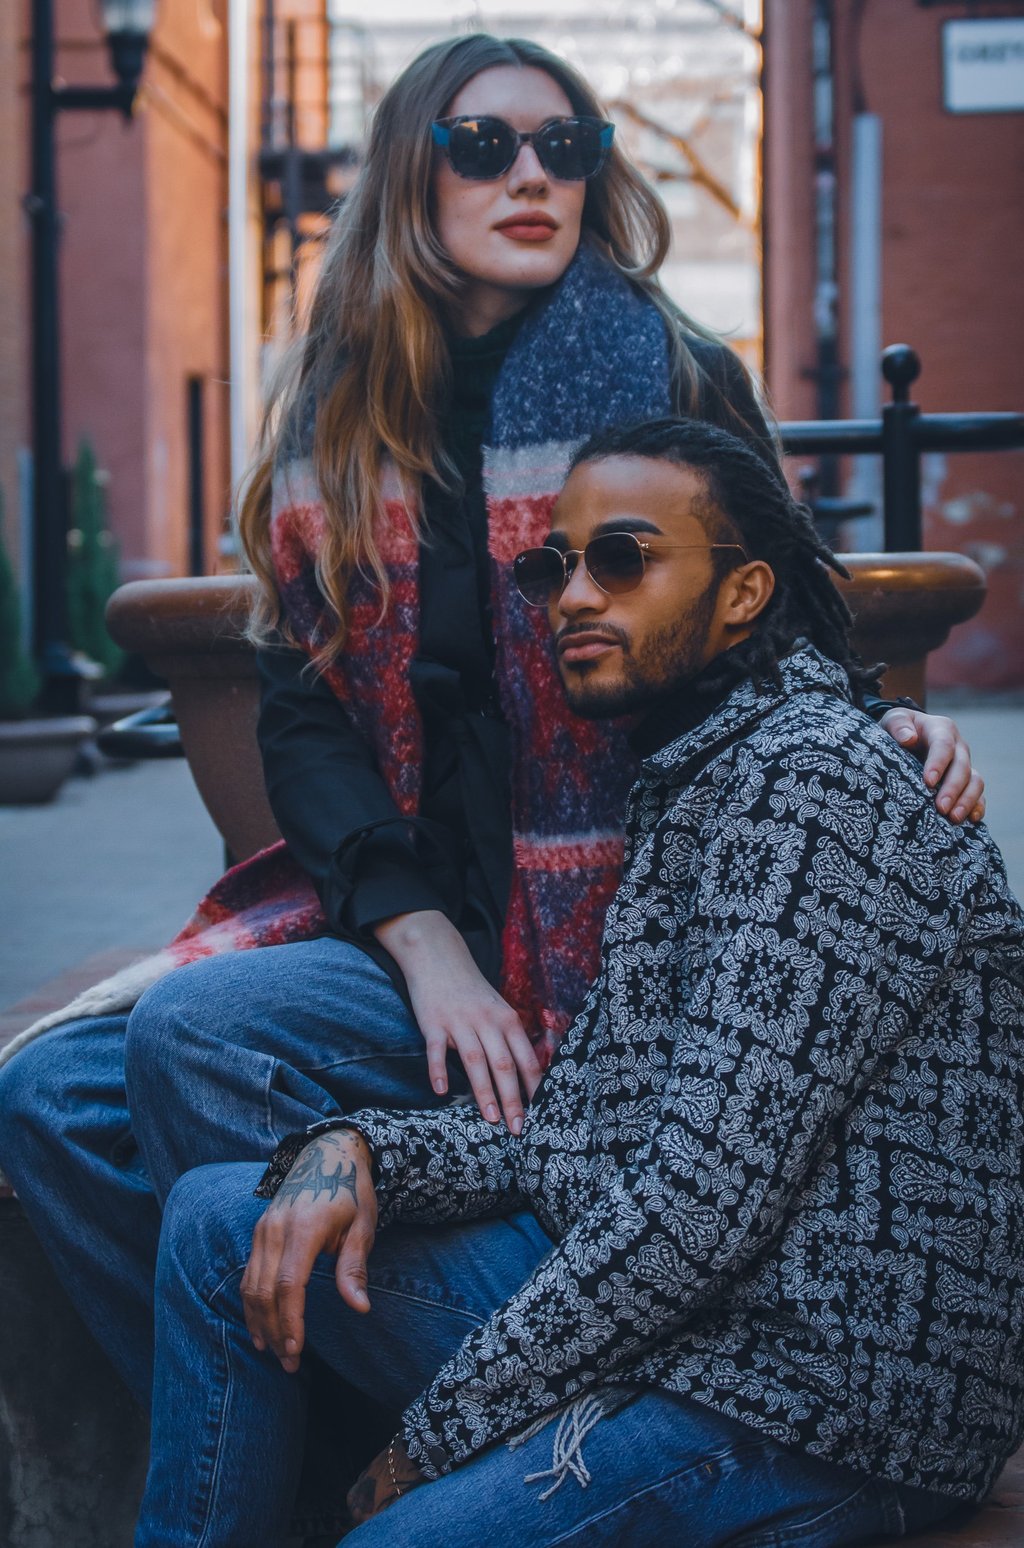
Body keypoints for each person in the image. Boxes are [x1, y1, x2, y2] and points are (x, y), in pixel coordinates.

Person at [0, 34, 983, 1421]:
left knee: (195, 1044)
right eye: (485, 146)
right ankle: (296, 1419)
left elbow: (783, 618)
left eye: (565, 148)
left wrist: (880, 739)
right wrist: (425, 949)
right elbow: (305, 712)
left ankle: (451, 1383)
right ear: (413, 173)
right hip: (424, 934)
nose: (533, 176)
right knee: (49, 1102)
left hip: (620, 953)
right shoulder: (340, 407)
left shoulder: (671, 371)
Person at [136, 418, 1024, 1548]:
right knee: (224, 1219)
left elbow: (697, 1207)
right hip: (707, 1318)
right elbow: (583, 1140)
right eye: (555, 564)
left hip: (821, 1398)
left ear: (746, 593)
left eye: (624, 557)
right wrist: (357, 1148)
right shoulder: (704, 770)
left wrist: (432, 1440)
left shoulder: (809, 791)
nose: (571, 596)